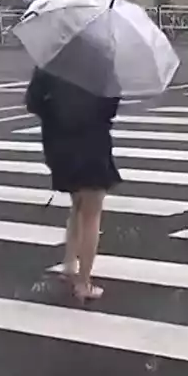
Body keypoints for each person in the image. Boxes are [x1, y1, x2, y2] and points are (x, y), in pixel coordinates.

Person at [24, 48, 121, 302]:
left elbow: (32, 102)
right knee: (91, 210)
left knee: (77, 203)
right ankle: (83, 283)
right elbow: (111, 106)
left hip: (58, 144)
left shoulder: (51, 59)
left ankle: (69, 263)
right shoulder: (101, 60)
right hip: (91, 143)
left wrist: (55, 114)